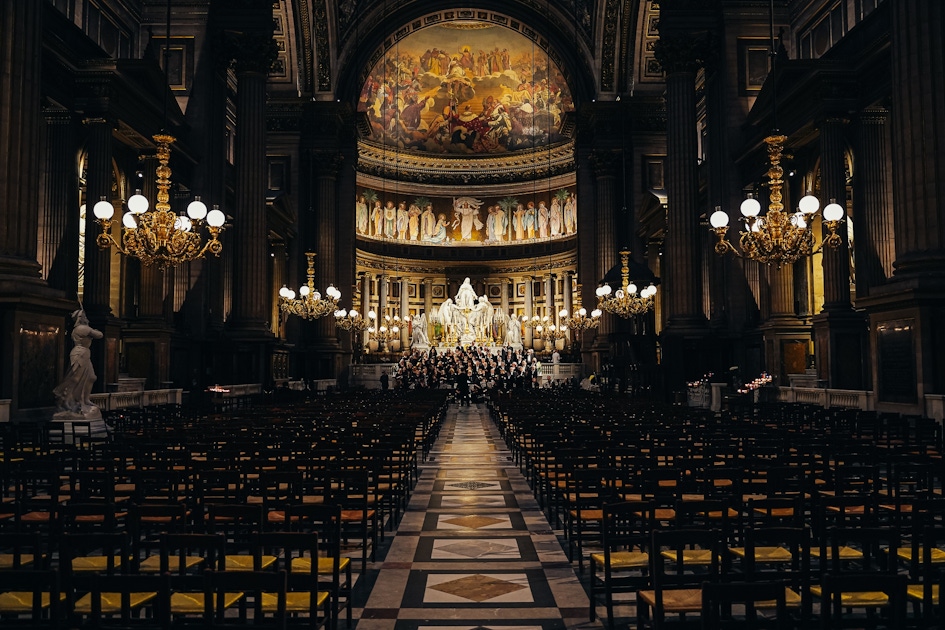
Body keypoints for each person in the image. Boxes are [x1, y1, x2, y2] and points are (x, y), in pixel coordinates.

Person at [53, 308, 104, 416]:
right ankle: (65, 399)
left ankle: (85, 399)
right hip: (79, 354)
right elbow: (99, 335)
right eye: (84, 316)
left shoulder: (84, 328)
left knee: (91, 377)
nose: (85, 318)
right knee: (75, 378)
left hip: (85, 354)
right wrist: (92, 329)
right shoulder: (81, 328)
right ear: (80, 318)